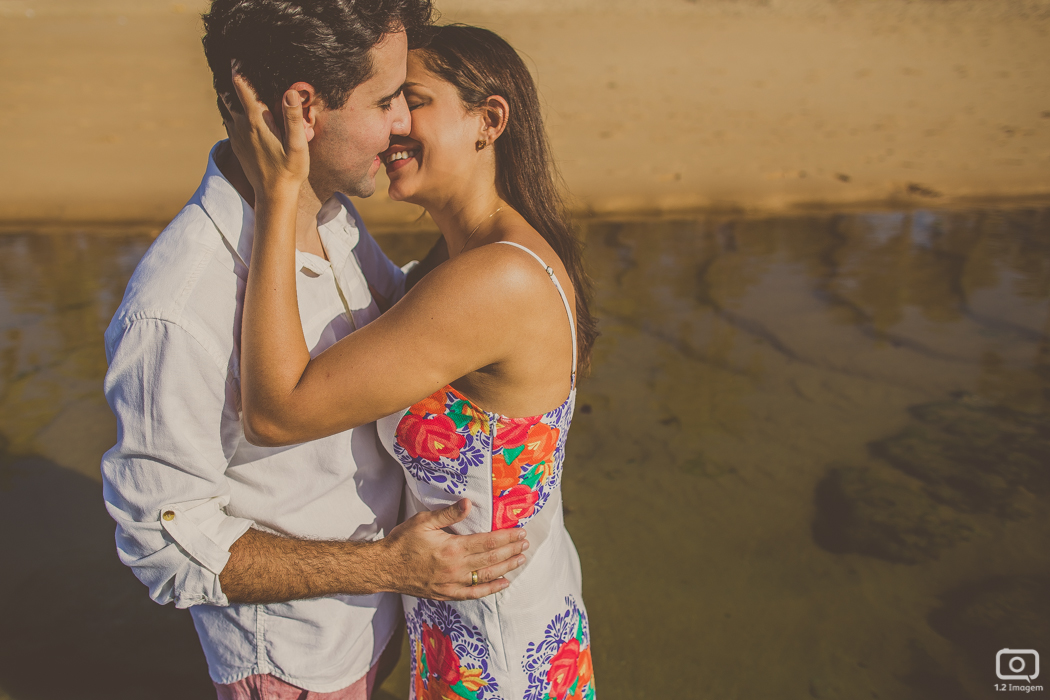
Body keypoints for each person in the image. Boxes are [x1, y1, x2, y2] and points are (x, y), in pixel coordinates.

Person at [100, 4, 530, 699]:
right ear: (305, 109)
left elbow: (399, 320)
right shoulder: (175, 310)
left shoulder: (327, 211)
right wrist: (387, 568)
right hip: (297, 668)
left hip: (381, 627)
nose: (401, 124)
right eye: (387, 99)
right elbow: (162, 546)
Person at [224, 24, 599, 700]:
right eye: (388, 101)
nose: (394, 123)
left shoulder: (496, 281)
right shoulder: (463, 263)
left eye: (413, 100)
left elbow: (276, 413)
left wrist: (281, 193)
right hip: (485, 623)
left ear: (489, 121)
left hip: (498, 655)